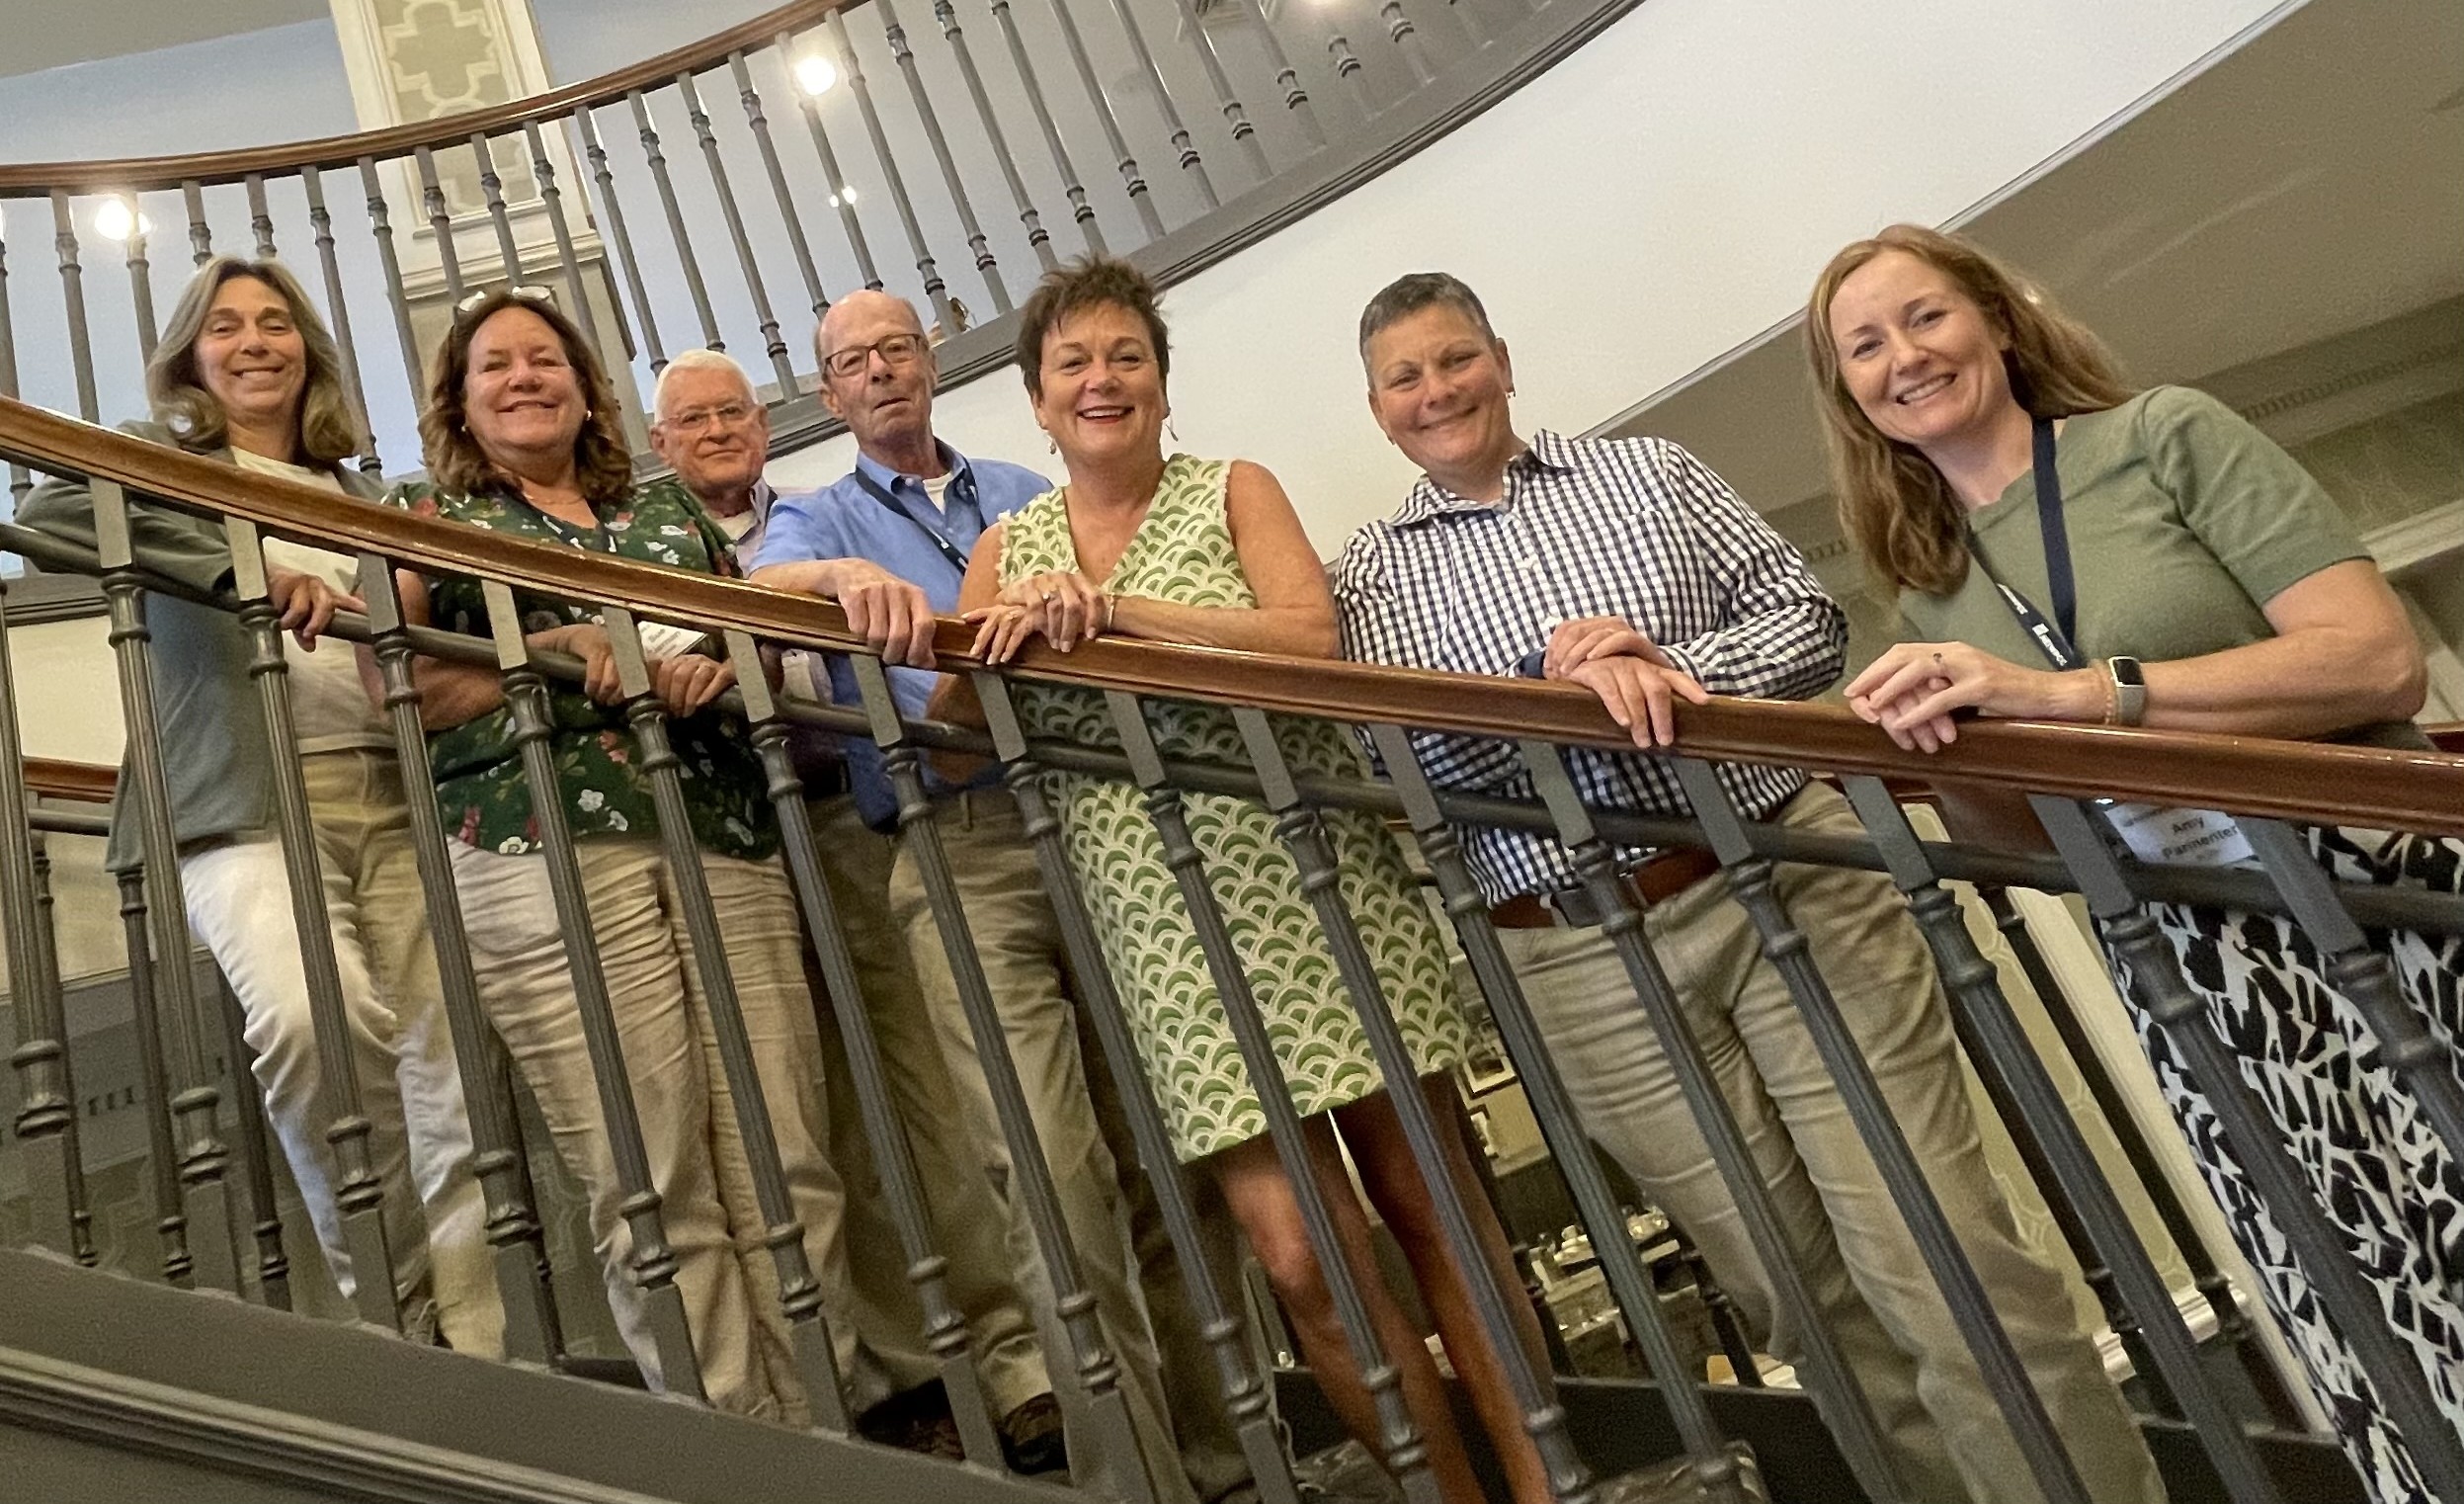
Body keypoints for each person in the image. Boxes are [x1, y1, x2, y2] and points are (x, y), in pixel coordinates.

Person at [1334, 271, 2166, 1504]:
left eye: (1454, 359)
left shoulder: (1652, 473)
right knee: (1802, 1305)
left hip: (1779, 876)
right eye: (1405, 377)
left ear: (1502, 360)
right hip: (1574, 960)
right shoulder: (1367, 577)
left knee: (1940, 1258)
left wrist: (1666, 668)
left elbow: (1805, 622)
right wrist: (1553, 684)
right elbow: (1399, 762)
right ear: (1376, 410)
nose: (1436, 390)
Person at [1814, 222, 2463, 1504]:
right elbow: (2020, 844)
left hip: (2373, 896)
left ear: (1995, 321)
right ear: (1846, 396)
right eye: (1863, 346)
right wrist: (1943, 756)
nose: (1904, 358)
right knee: (2352, 1291)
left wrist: (2075, 696)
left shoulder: (2161, 432)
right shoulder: (1930, 589)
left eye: (1924, 317)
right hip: (2197, 967)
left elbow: (2371, 660)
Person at [933, 257, 1554, 1504]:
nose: (1102, 380)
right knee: (1300, 1263)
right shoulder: (1008, 545)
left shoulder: (1234, 489)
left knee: (1432, 1213)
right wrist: (986, 647)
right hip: (1161, 935)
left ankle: (1543, 1489)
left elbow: (1308, 636)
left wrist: (1117, 615)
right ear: (1038, 405)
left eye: (1126, 356)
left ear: (1161, 385)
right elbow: (953, 737)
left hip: (1319, 887)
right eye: (1073, 364)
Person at [749, 290, 1251, 1501]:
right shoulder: (810, 513)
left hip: (1098, 829)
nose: (880, 372)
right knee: (1049, 1171)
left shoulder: (1026, 491)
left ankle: (1232, 1463)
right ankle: (1137, 1482)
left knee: (1169, 1158)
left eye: (897, 350)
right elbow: (762, 599)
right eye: (852, 361)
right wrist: (837, 575)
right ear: (830, 393)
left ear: (931, 364)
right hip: (958, 841)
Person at [379, 287, 868, 1426]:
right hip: (542, 847)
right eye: (494, 364)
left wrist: (708, 659)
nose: (524, 377)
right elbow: (396, 684)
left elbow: (744, 642)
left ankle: (836, 1440)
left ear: (584, 383)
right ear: (457, 395)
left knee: (785, 1157)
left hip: (725, 835)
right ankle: (739, 1456)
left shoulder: (666, 517)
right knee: (654, 1178)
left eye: (544, 358)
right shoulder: (425, 513)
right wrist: (552, 645)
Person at [19, 256, 502, 1353]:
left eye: (277, 324)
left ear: (309, 350)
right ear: (192, 355)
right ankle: (397, 1314)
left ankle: (476, 1337)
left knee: (448, 1070)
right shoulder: (157, 462)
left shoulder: (361, 496)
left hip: (393, 788)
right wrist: (243, 567)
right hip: (236, 800)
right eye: (227, 326)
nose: (254, 342)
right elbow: (47, 505)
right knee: (305, 1018)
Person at [654, 344, 1060, 1465]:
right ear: (659, 444)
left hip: (844, 818)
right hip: (720, 837)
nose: (719, 430)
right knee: (796, 1114)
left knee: (922, 1085)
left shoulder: (811, 524)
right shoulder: (645, 546)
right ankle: (876, 1375)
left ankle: (1012, 1356)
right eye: (692, 419)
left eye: (734, 410)